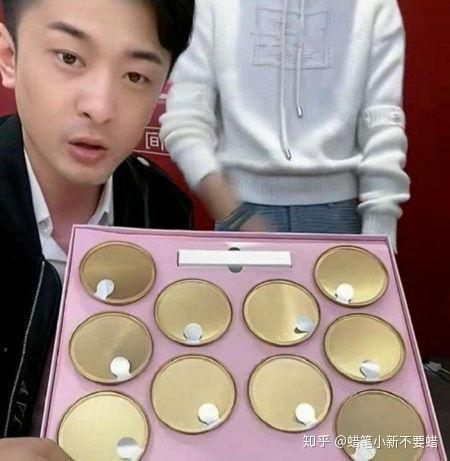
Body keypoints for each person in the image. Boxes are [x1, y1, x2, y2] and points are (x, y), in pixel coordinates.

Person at [0, 0, 194, 456]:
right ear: (9, 57)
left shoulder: (163, 210)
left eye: (135, 76)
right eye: (69, 58)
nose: (101, 108)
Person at [161, 0, 410, 252]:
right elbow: (185, 116)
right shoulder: (212, 5)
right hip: (241, 209)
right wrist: (228, 208)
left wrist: (380, 230)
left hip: (338, 216)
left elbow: (381, 121)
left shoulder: (374, 6)